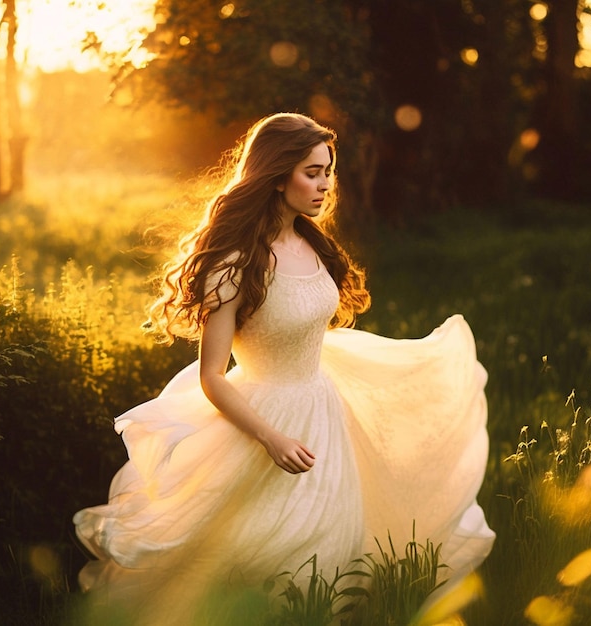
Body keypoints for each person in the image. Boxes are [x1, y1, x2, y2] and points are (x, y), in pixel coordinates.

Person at [73, 112, 495, 624]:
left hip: (323, 408)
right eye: (311, 172)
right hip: (261, 419)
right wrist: (271, 438)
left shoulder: (312, 244)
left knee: (330, 548)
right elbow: (211, 376)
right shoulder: (233, 263)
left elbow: (306, 328)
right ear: (276, 176)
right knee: (262, 554)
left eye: (328, 171)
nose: (324, 184)